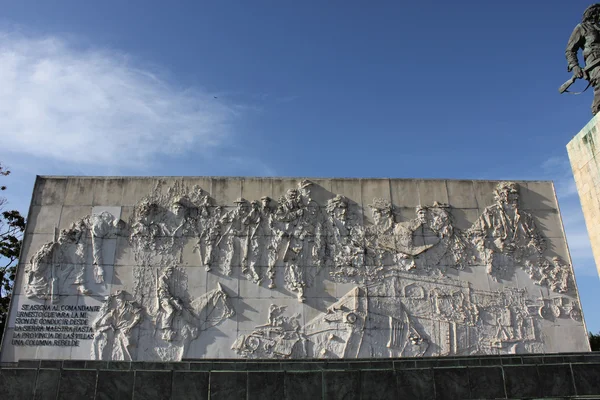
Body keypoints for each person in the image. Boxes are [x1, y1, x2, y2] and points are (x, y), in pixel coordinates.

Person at [565, 4, 600, 114]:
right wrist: (574, 66)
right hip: (594, 63)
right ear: (594, 14)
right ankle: (597, 109)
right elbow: (570, 50)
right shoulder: (582, 27)